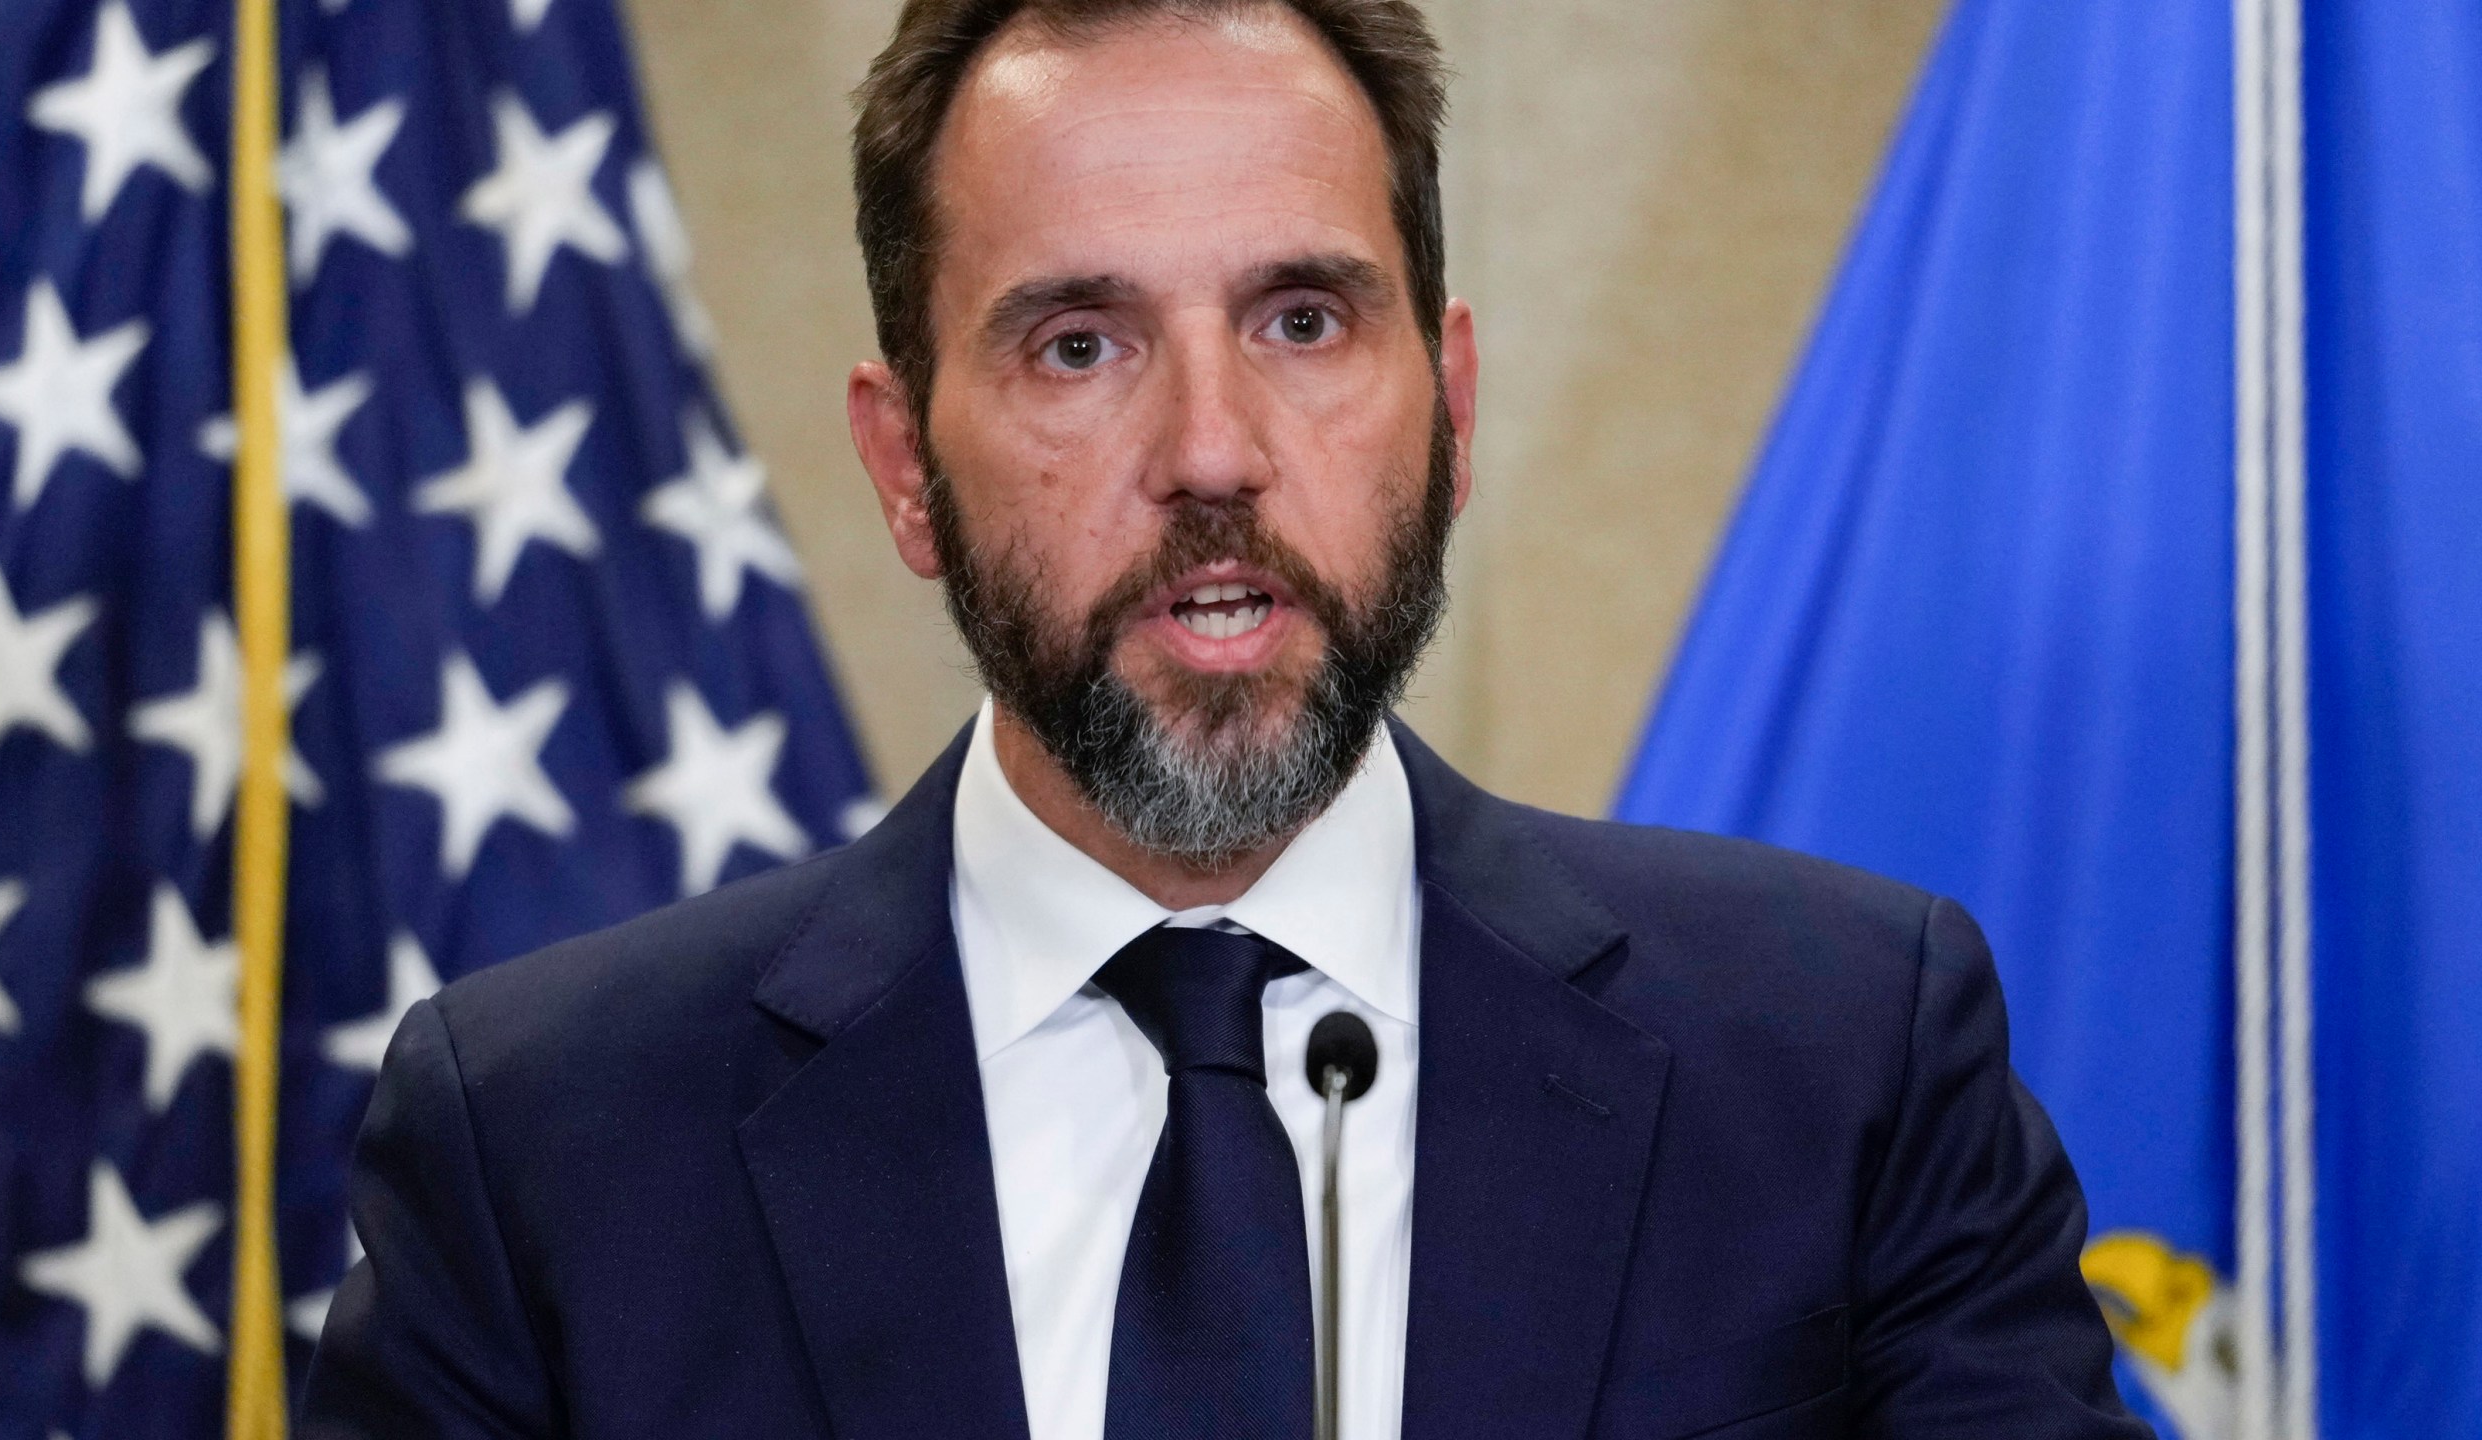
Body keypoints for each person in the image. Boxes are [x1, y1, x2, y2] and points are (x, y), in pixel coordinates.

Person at [301, 2, 2153, 1436]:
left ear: (1451, 402)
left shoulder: (1844, 1063)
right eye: (1078, 346)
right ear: (904, 468)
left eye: (1303, 322)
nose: (1210, 455)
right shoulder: (542, 1146)